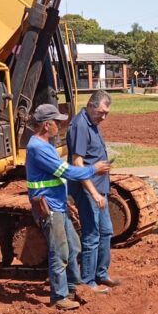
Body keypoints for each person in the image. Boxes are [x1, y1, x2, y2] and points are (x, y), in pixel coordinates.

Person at [26, 103, 110, 311]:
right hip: (49, 209)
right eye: (56, 122)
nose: (59, 126)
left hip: (58, 205)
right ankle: (59, 297)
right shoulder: (38, 148)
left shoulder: (45, 145)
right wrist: (93, 169)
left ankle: (73, 287)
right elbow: (68, 172)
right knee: (60, 252)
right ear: (46, 125)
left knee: (74, 246)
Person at [66, 90, 120, 293]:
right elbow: (78, 163)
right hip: (88, 189)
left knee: (106, 231)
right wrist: (95, 193)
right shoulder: (80, 125)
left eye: (107, 113)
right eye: (101, 112)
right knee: (92, 234)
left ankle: (101, 273)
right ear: (90, 105)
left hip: (99, 187)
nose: (103, 117)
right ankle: (88, 282)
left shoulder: (92, 123)